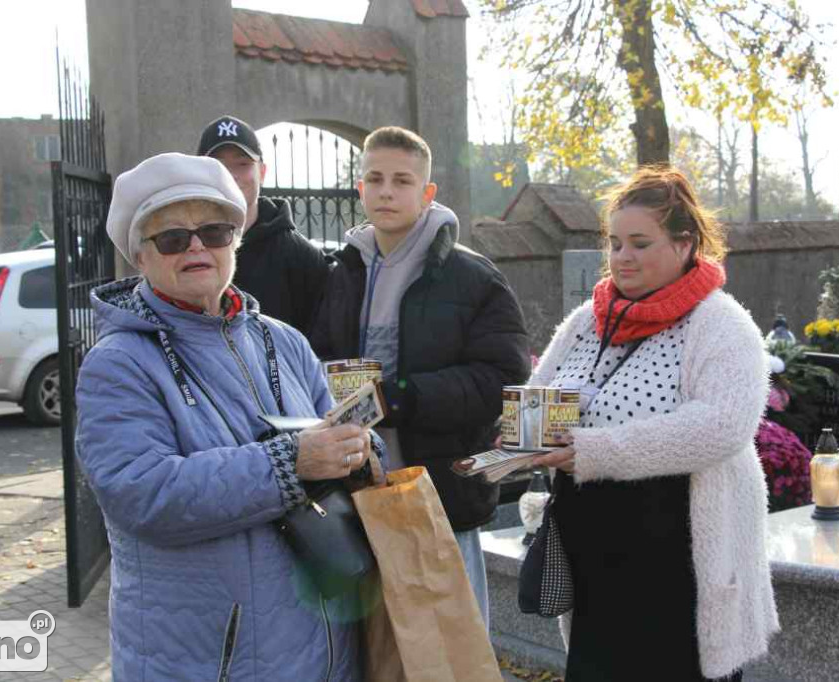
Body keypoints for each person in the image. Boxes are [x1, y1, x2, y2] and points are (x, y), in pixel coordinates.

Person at [74, 152, 382, 681]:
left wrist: (358, 453)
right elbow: (142, 493)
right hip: (212, 660)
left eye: (214, 232)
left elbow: (335, 449)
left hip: (323, 649)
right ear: (139, 258)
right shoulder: (118, 362)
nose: (196, 246)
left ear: (235, 243)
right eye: (172, 237)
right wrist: (292, 463)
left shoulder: (284, 341)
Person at [529, 167, 778, 681]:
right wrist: (518, 436)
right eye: (615, 243)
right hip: (593, 558)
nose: (622, 256)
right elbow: (540, 394)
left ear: (685, 244)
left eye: (640, 243)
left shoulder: (722, 324)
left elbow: (721, 425)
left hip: (675, 565)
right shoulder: (585, 321)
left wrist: (593, 451)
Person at [310, 126, 531, 626]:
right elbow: (317, 357)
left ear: (427, 193)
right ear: (360, 187)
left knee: (452, 649)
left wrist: (404, 397)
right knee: (377, 652)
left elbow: (502, 378)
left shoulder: (473, 277)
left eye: (403, 181)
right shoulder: (343, 272)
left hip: (440, 501)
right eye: (375, 178)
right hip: (357, 493)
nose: (387, 191)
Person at [197, 114, 330, 336]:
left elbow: (318, 350)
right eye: (218, 166)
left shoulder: (302, 258)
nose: (231, 176)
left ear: (262, 172)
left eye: (243, 164)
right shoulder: (181, 249)